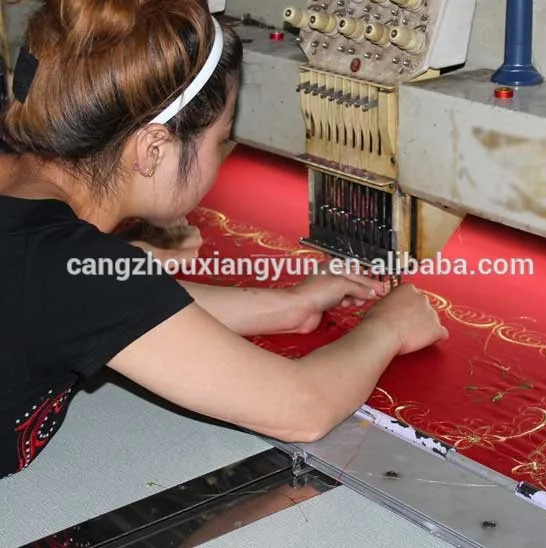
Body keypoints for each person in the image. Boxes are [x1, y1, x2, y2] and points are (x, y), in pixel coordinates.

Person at [0, 0, 448, 480]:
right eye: (221, 138)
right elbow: (303, 407)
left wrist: (288, 307)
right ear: (153, 150)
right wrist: (388, 328)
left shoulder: (44, 241)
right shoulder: (69, 270)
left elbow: (114, 307)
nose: (223, 154)